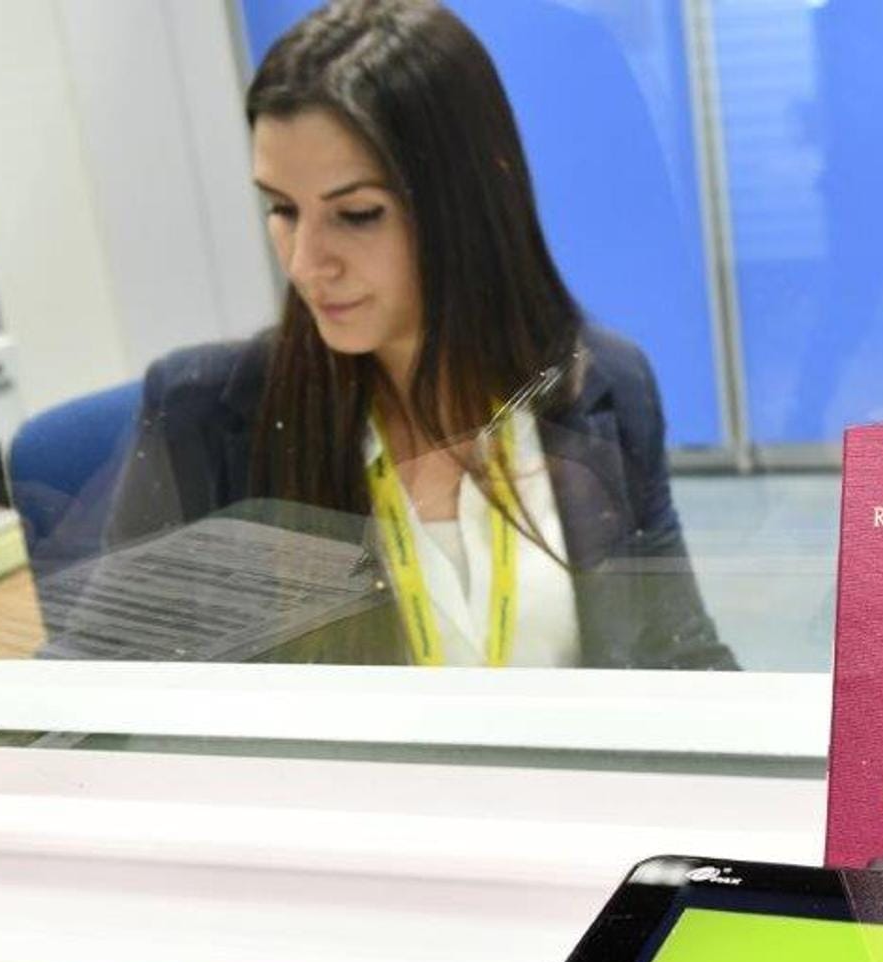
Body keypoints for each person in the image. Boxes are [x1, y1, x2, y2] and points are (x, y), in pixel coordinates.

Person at [104, 0, 734, 671]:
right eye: (283, 209)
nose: (306, 263)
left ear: (478, 196)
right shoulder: (204, 417)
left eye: (357, 214)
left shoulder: (605, 384)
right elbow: (98, 689)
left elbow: (682, 656)